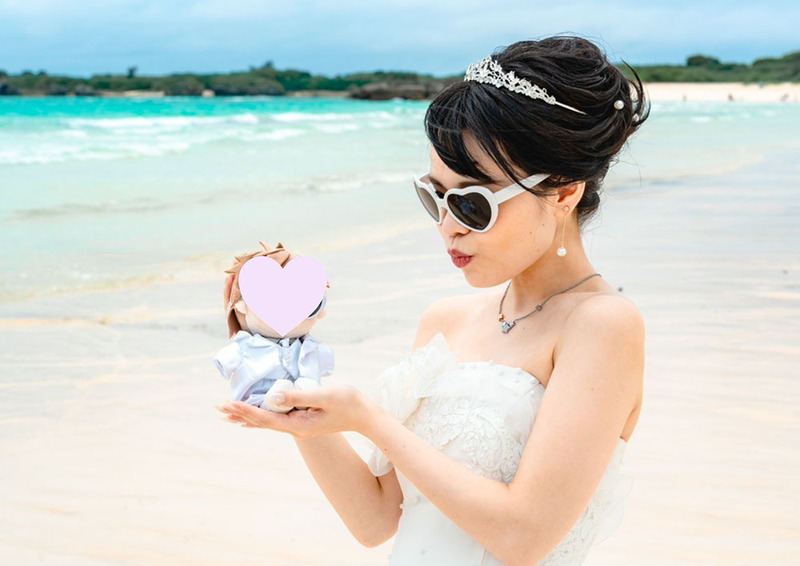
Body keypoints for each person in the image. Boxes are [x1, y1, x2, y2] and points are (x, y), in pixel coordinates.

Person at [217, 35, 649, 566]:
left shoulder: (603, 325)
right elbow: (375, 521)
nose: (448, 227)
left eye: (473, 204)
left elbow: (523, 537)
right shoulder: (445, 320)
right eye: (434, 197)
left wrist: (371, 420)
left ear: (563, 192)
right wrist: (298, 398)